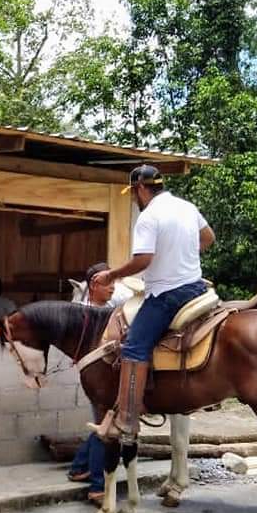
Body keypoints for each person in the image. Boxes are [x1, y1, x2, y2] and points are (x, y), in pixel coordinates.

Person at [89, 164, 215, 442]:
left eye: (134, 193)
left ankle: (127, 419)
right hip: (196, 288)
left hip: (167, 293)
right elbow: (208, 238)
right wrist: (180, 252)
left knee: (134, 346)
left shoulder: (149, 217)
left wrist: (111, 274)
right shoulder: (186, 207)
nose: (134, 198)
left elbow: (143, 260)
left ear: (141, 188)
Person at [68, 262, 129, 502]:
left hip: (110, 376)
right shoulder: (82, 312)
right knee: (104, 428)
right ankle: (97, 486)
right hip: (96, 377)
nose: (113, 289)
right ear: (94, 285)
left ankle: (78, 468)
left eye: (114, 283)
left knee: (102, 424)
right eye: (108, 284)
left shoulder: (113, 307)